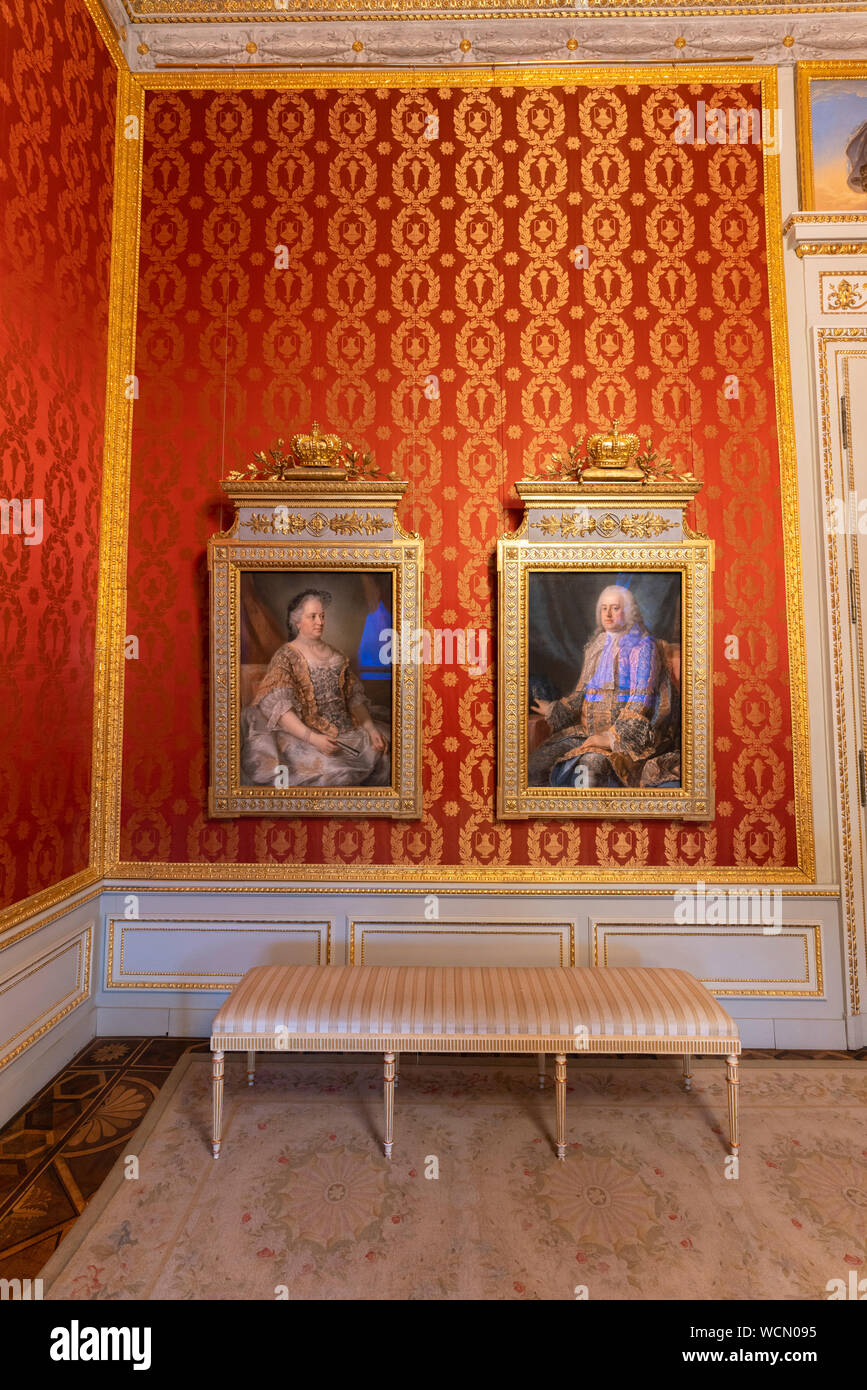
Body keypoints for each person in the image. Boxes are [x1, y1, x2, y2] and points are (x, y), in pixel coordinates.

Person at [528, 585, 679, 789]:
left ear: (629, 611)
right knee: (536, 764)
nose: (608, 614)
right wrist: (554, 709)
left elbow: (641, 700)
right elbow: (581, 691)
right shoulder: (598, 644)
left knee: (591, 767)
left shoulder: (643, 646)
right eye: (604, 608)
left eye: (615, 608)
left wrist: (609, 738)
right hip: (586, 731)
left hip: (625, 742)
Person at [240, 589, 390, 787]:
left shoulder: (337, 656)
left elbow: (354, 698)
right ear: (297, 622)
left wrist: (370, 729)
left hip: (349, 733)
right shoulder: (286, 656)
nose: (320, 622)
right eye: (313, 616)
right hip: (304, 736)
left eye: (322, 616)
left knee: (386, 754)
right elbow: (282, 710)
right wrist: (314, 739)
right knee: (338, 775)